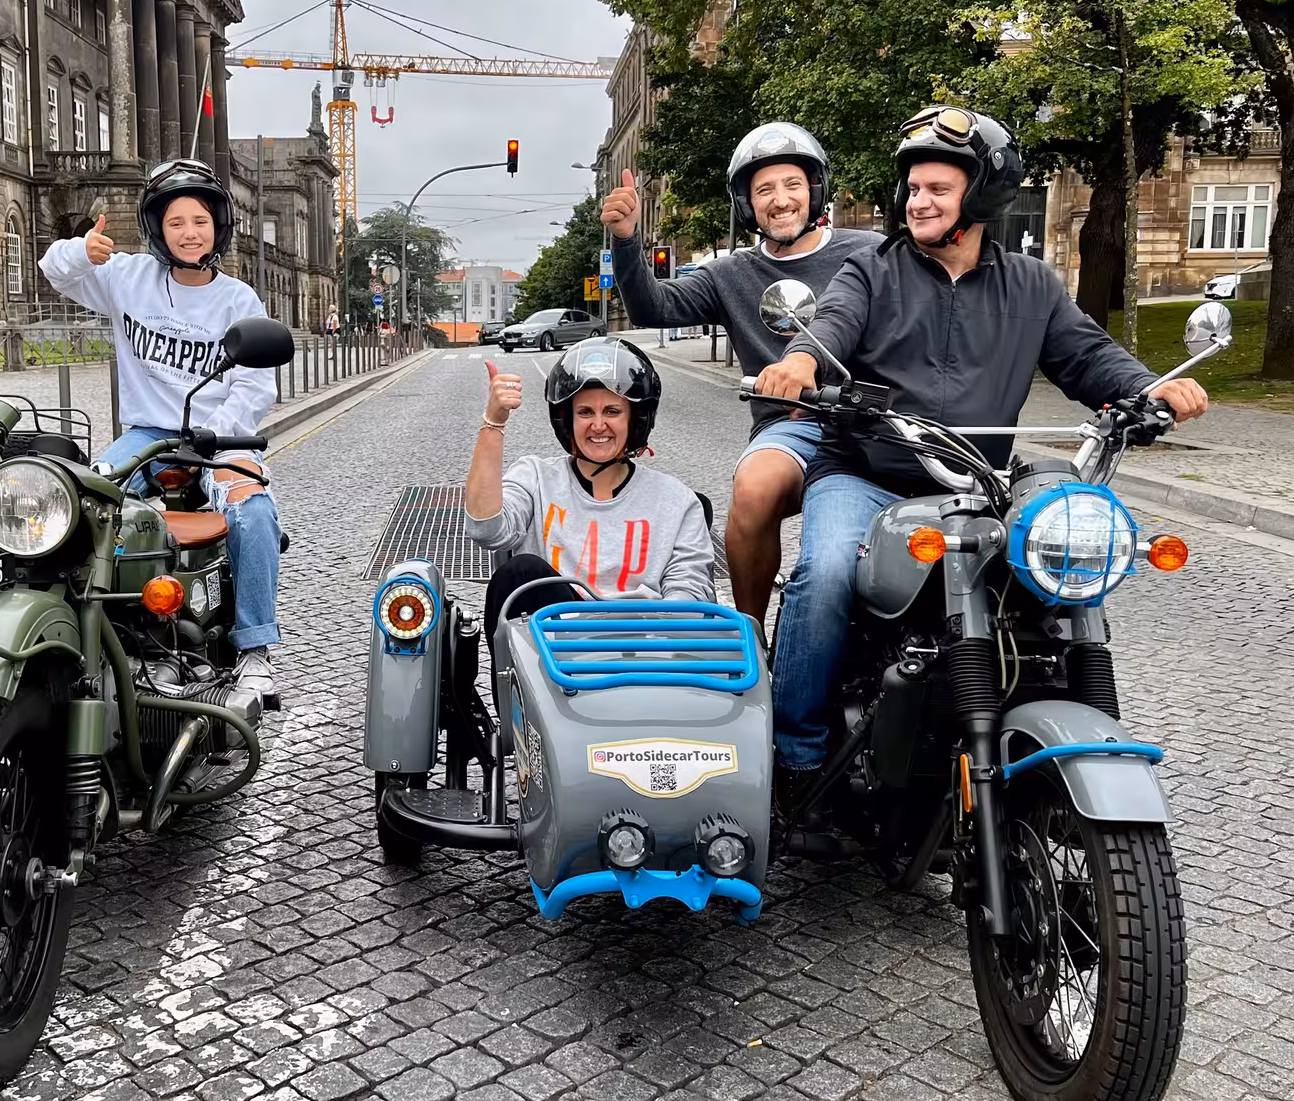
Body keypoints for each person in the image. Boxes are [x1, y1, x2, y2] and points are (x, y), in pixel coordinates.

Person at [755, 105, 1209, 794]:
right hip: (867, 474)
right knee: (821, 578)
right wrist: (802, 364)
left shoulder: (1031, 286)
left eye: (937, 188)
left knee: (1051, 586)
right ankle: (796, 758)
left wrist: (1150, 391)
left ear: (983, 196)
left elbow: (1088, 356)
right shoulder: (871, 271)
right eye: (913, 188)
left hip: (975, 488)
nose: (919, 200)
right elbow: (833, 327)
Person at [604, 124, 879, 626]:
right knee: (752, 489)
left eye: (792, 185)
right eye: (764, 190)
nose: (780, 200)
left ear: (814, 190)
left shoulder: (870, 252)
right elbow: (652, 306)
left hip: (876, 421)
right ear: (747, 205)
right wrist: (627, 242)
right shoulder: (730, 273)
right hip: (791, 428)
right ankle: (749, 631)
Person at [40, 160, 285, 705]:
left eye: (199, 220)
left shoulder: (238, 300)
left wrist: (216, 437)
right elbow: (54, 271)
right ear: (157, 229)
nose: (189, 232)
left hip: (216, 438)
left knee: (254, 511)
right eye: (176, 222)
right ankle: (99, 634)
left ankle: (255, 650)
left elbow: (253, 388)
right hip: (146, 434)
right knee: (82, 501)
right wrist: (83, 252)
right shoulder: (127, 276)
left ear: (218, 226)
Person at [466, 338, 716, 642]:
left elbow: (689, 595)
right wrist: (493, 422)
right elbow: (485, 528)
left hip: (646, 650)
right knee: (520, 571)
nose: (598, 425)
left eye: (612, 411)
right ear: (567, 420)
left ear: (636, 419)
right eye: (585, 412)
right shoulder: (535, 478)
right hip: (554, 655)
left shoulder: (677, 500)